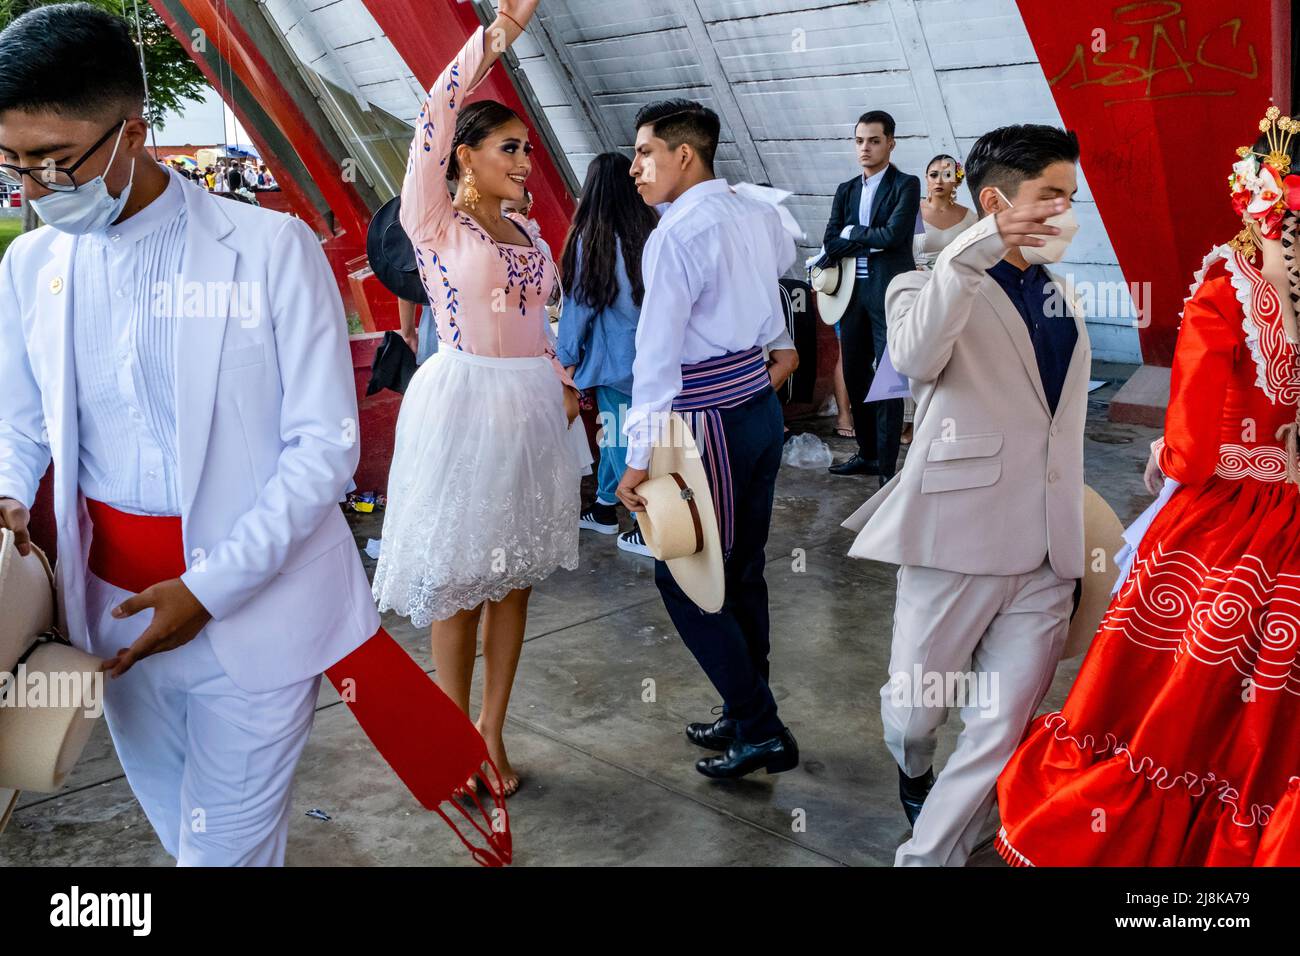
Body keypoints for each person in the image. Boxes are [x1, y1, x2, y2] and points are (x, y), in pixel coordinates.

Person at [0, 3, 378, 865]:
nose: (34, 188)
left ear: (133, 131)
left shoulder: (270, 250)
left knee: (226, 854)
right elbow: (19, 420)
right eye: (13, 163)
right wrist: (10, 493)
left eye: (56, 161)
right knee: (183, 835)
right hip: (112, 617)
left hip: (253, 610)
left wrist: (206, 591)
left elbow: (323, 446)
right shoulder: (31, 265)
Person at [996, 109, 1300, 867]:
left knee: (1171, 703)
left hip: (1230, 526)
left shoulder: (1225, 292)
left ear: (1251, 197)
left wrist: (1168, 448)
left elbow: (1194, 452)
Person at [842, 124, 1088, 865]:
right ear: (996, 201)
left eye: (1072, 198)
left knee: (999, 730)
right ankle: (914, 771)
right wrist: (975, 248)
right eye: (1052, 196)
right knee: (914, 719)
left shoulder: (1062, 295)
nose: (1066, 214)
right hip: (956, 539)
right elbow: (916, 356)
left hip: (1047, 550)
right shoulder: (921, 282)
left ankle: (928, 856)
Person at [371, 0, 579, 798]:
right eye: (508, 148)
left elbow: (542, 325)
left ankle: (492, 730)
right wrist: (502, 34)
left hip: (531, 410)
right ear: (462, 157)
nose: (526, 161)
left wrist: (564, 384)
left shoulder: (532, 238)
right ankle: (450, 735)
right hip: (462, 409)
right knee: (459, 580)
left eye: (527, 148)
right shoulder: (435, 225)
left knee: (514, 576)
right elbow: (433, 108)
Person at [615, 98, 801, 780]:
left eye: (644, 152)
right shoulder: (758, 212)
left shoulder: (675, 236)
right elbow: (773, 288)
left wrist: (635, 460)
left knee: (685, 574)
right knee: (739, 568)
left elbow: (656, 360)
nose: (635, 167)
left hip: (706, 420)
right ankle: (743, 703)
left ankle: (759, 726)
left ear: (683, 155)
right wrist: (778, 346)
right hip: (757, 408)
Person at [556, 152, 658, 554]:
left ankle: (645, 523)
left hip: (614, 359)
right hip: (650, 355)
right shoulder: (651, 231)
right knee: (636, 436)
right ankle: (603, 506)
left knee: (619, 440)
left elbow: (580, 306)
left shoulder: (590, 239)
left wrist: (566, 355)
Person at [821, 110, 920, 483]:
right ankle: (867, 453)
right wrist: (861, 235)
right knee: (854, 374)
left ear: (890, 143)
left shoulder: (906, 185)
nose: (865, 147)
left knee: (889, 381)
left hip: (889, 293)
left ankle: (887, 467)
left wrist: (852, 233)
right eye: (860, 140)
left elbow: (894, 237)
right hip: (851, 295)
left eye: (874, 140)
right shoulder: (846, 189)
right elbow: (831, 240)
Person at [914, 154, 977, 270]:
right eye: (933, 175)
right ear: (927, 178)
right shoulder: (913, 212)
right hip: (917, 280)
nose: (939, 181)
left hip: (956, 280)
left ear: (956, 180)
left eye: (947, 175)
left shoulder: (969, 217)